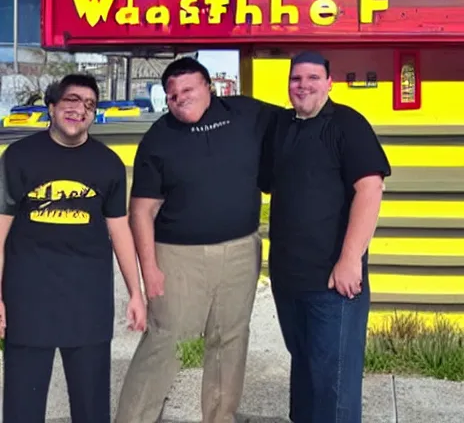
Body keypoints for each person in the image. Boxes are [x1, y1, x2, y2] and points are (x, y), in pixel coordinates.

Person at [115, 57, 276, 423]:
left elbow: (298, 125)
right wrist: (150, 269)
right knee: (164, 339)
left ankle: (220, 417)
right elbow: (140, 211)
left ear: (209, 87)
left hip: (240, 250)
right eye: (172, 94)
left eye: (187, 89)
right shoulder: (159, 138)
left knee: (230, 340)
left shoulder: (248, 114)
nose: (179, 98)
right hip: (176, 256)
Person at [0, 74, 147, 423]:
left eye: (89, 104)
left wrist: (135, 293)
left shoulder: (107, 163)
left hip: (88, 302)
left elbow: (120, 231)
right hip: (28, 299)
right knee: (22, 404)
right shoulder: (18, 157)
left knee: (92, 406)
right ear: (51, 106)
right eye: (71, 100)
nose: (79, 109)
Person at [262, 51, 391, 423]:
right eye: (296, 78)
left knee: (333, 386)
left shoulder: (347, 124)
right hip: (289, 281)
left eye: (313, 77)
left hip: (333, 283)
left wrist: (350, 260)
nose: (303, 85)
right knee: (304, 373)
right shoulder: (282, 128)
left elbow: (370, 188)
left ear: (329, 82)